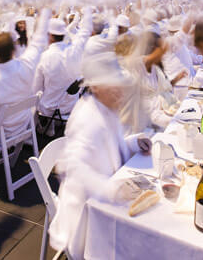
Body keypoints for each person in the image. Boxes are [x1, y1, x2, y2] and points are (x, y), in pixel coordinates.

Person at [48, 53, 152, 258]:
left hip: (106, 199)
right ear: (95, 87)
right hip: (86, 215)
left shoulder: (107, 108)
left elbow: (115, 146)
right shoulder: (87, 119)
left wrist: (134, 143)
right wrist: (111, 190)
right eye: (112, 85)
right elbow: (73, 168)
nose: (119, 91)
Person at [0, 9, 51, 140]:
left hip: (0, 134)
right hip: (23, 126)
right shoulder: (27, 66)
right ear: (13, 50)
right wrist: (45, 12)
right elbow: (38, 41)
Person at [33, 9, 92, 119]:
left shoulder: (45, 57)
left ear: (50, 35)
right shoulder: (74, 51)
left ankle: (43, 130)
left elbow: (36, 88)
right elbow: (85, 32)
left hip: (50, 109)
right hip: (71, 107)